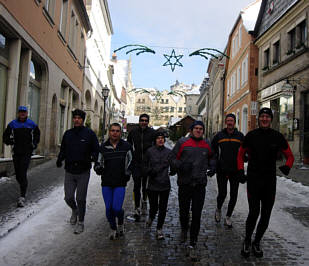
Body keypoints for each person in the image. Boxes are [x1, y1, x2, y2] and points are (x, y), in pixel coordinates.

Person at [237, 107, 294, 258]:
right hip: (254, 180)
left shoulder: (277, 136)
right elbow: (240, 154)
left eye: (267, 117)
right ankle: (247, 240)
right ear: (259, 119)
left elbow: (290, 156)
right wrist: (240, 171)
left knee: (266, 214)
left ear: (271, 119)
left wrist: (287, 166)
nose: (264, 119)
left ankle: (257, 242)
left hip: (269, 181)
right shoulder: (251, 135)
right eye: (262, 116)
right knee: (254, 212)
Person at [169, 121, 215, 260]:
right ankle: (184, 229)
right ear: (191, 130)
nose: (199, 131)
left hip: (199, 184)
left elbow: (212, 157)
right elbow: (172, 158)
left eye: (201, 129)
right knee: (184, 211)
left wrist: (213, 167)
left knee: (196, 214)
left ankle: (193, 242)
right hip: (185, 183)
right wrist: (180, 166)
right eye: (196, 128)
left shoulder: (207, 143)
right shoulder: (182, 142)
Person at [56, 109, 99, 234]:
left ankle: (81, 222)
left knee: (81, 198)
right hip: (69, 170)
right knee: (68, 197)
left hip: (83, 171)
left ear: (83, 119)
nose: (77, 120)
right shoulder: (68, 134)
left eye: (79, 118)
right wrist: (60, 159)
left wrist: (95, 160)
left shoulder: (89, 134)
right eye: (75, 117)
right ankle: (75, 210)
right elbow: (63, 149)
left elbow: (96, 150)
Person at [94, 123, 133, 240]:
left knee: (117, 208)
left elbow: (132, 161)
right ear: (109, 132)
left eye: (117, 131)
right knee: (108, 208)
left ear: (120, 133)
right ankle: (113, 228)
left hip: (120, 182)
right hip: (106, 182)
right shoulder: (103, 147)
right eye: (112, 131)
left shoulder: (126, 146)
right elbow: (97, 162)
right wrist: (98, 168)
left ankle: (120, 221)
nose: (114, 133)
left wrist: (128, 172)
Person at [3, 106, 40, 207]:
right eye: (21, 112)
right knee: (18, 174)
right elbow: (5, 136)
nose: (22, 114)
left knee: (23, 172)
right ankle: (23, 186)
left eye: (24, 112)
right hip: (16, 152)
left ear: (27, 113)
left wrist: (34, 144)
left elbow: (37, 134)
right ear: (18, 113)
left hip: (27, 152)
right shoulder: (13, 124)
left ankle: (22, 196)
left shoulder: (31, 124)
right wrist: (10, 141)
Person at [211, 113, 244, 228]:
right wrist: (213, 166)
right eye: (228, 120)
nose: (230, 122)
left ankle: (228, 216)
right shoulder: (219, 136)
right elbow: (213, 151)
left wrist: (243, 167)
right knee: (222, 193)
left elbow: (244, 152)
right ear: (225, 122)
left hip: (235, 170)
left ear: (235, 122)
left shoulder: (240, 136)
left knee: (234, 195)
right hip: (222, 170)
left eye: (232, 120)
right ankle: (219, 208)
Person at [127, 113, 156, 221]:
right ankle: (137, 207)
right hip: (136, 163)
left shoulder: (152, 133)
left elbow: (155, 147)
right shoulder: (133, 132)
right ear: (139, 121)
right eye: (142, 120)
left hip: (147, 164)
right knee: (136, 186)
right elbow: (128, 145)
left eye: (145, 120)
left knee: (145, 186)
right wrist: (131, 159)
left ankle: (144, 200)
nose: (144, 122)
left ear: (148, 122)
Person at [144, 131, 172, 240]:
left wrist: (175, 168)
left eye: (162, 138)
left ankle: (159, 228)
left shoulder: (169, 152)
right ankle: (151, 217)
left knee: (163, 208)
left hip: (165, 184)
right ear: (155, 140)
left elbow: (174, 163)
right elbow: (145, 166)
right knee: (154, 206)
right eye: (158, 138)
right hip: (153, 184)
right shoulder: (150, 152)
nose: (160, 140)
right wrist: (150, 172)